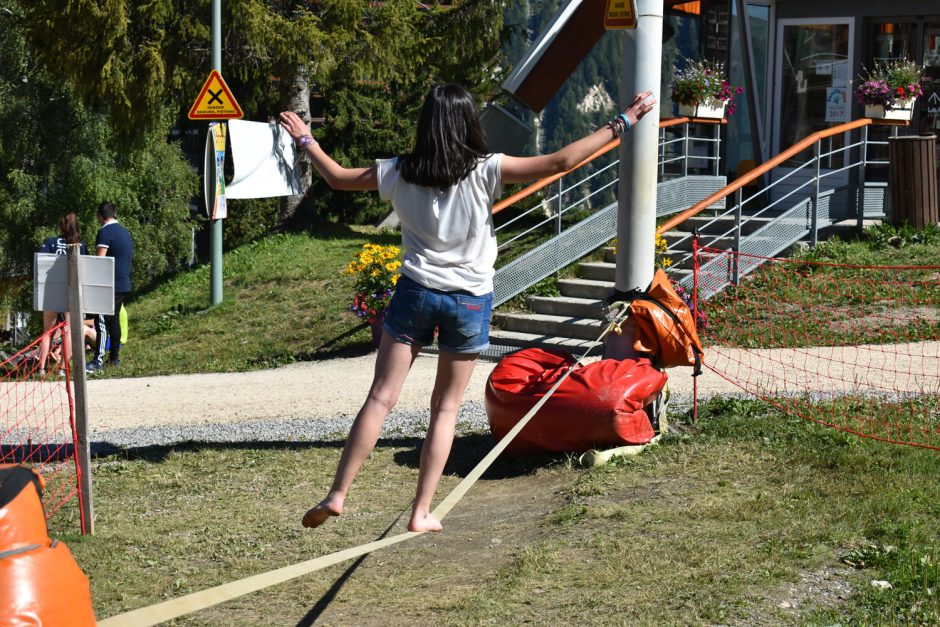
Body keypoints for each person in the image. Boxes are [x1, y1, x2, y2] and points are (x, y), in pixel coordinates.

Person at [279, 84, 656, 533]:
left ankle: (338, 494)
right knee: (444, 409)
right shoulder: (486, 170)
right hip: (468, 300)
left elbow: (338, 177)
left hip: (415, 293)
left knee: (380, 398)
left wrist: (306, 139)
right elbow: (560, 162)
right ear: (467, 124)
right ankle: (421, 512)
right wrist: (623, 122)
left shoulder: (399, 170)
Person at [36, 213, 88, 377]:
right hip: (71, 292)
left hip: (51, 291)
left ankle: (41, 369)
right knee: (69, 329)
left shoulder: (50, 242)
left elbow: (40, 262)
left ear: (61, 226)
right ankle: (63, 369)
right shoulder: (81, 245)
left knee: (47, 331)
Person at [87, 201, 133, 372]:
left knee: (101, 322)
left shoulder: (105, 232)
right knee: (114, 321)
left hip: (109, 284)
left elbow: (100, 261)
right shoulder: (124, 232)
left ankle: (97, 361)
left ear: (101, 216)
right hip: (123, 283)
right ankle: (114, 358)